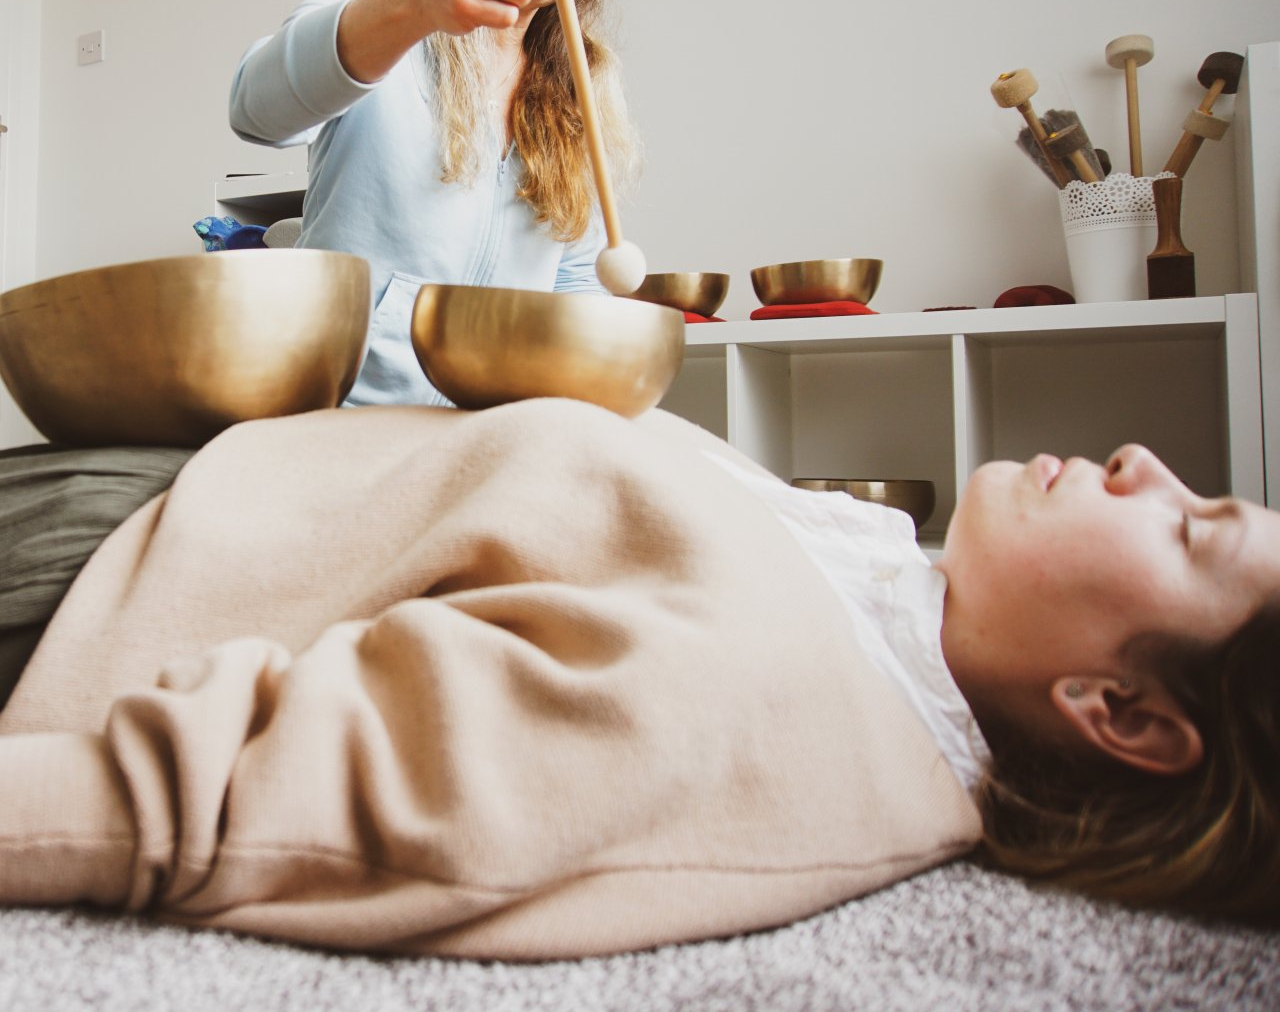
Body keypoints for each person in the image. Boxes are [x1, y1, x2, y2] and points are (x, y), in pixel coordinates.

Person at [0, 404, 1276, 954]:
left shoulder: (752, 696)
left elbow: (219, 803)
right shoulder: (887, 599)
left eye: (1187, 526)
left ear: (1120, 713)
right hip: (201, 477)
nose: (1141, 460)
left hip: (86, 570)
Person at [229, 0, 667, 408]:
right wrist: (416, 2)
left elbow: (574, 278)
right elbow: (255, 111)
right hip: (339, 412)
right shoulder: (376, 13)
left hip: (490, 427)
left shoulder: (579, 90)